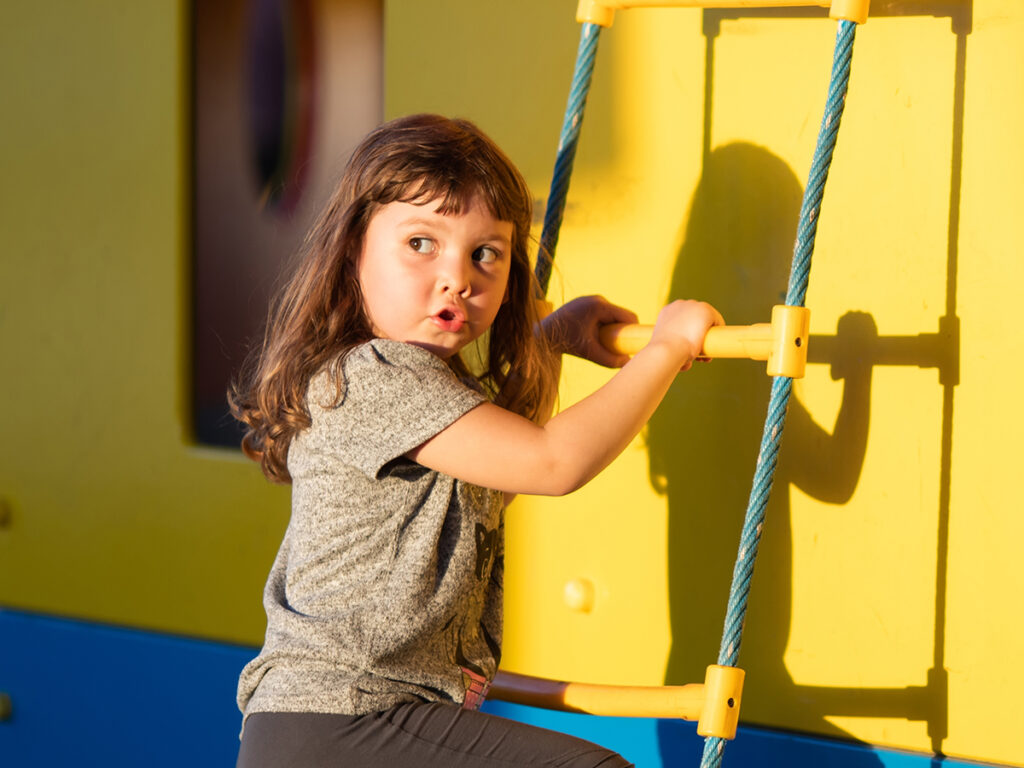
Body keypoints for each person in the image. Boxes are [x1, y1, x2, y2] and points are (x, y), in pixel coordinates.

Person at [229, 113, 724, 768]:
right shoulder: (376, 375)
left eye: (484, 253)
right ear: (353, 251)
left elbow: (493, 461)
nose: (457, 276)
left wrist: (554, 341)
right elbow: (550, 461)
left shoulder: (420, 393)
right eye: (421, 244)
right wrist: (666, 349)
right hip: (346, 718)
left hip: (331, 728)